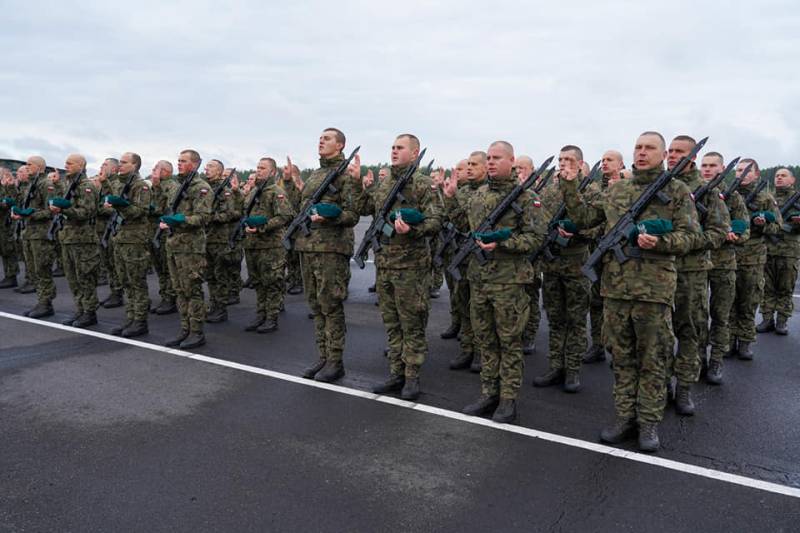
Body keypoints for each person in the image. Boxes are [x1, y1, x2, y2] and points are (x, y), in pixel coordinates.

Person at [562, 131, 697, 452]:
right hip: (616, 289)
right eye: (638, 147)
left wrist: (661, 242)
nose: (641, 153)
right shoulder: (617, 189)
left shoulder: (677, 190)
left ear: (663, 155)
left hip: (654, 290)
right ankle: (625, 416)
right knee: (621, 357)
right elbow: (584, 218)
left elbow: (691, 236)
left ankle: (648, 422)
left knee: (653, 358)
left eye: (649, 148)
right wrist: (569, 186)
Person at [461, 141, 547, 422]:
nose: (491, 162)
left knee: (509, 342)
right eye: (488, 157)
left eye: (497, 157)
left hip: (509, 282)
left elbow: (536, 238)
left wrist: (503, 243)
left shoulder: (527, 198)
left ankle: (508, 399)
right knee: (485, 340)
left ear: (511, 161)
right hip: (480, 279)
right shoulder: (478, 195)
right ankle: (489, 393)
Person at [363, 134, 442, 400]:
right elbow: (365, 207)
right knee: (392, 323)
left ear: (415, 153)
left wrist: (413, 230)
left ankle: (412, 376)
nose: (394, 151)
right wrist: (357, 182)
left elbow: (436, 220)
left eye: (400, 148)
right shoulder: (386, 184)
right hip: (385, 265)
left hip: (411, 267)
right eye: (393, 147)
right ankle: (396, 373)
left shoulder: (423, 183)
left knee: (412, 323)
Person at [665, 136, 729, 415]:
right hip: (658, 271)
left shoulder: (708, 190)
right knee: (660, 335)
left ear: (692, 157)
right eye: (669, 151)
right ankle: (662, 385)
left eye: (678, 152)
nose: (672, 155)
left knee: (690, 330)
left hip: (691, 271)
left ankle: (684, 387)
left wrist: (688, 240)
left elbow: (720, 231)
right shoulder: (660, 186)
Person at [293, 128, 361, 382]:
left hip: (331, 249)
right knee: (315, 306)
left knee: (331, 305)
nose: (321, 141)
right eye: (320, 138)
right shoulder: (316, 174)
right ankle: (322, 356)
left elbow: (353, 214)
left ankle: (335, 360)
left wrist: (331, 217)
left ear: (340, 145)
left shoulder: (345, 175)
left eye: (327, 138)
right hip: (308, 246)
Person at [533, 145, 591, 393]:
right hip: (552, 263)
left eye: (569, 159)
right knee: (555, 318)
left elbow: (598, 226)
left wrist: (577, 232)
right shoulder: (549, 191)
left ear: (580, 163)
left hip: (576, 264)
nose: (563, 163)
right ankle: (556, 365)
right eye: (561, 159)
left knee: (576, 320)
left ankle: (573, 370)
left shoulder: (590, 190)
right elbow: (539, 220)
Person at [700, 152, 748, 384]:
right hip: (698, 262)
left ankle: (717, 360)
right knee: (696, 317)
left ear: (721, 169)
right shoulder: (693, 193)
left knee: (721, 315)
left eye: (712, 166)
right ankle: (698, 360)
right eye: (704, 165)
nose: (707, 169)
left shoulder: (733, 197)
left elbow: (744, 228)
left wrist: (734, 235)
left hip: (724, 263)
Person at [159, 150, 214, 348]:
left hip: (191, 247)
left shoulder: (201, 188)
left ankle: (197, 332)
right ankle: (185, 329)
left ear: (195, 164)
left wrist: (181, 220)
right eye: (178, 160)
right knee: (179, 290)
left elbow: (203, 217)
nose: (179, 164)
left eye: (183, 161)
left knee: (192, 290)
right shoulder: (179, 186)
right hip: (174, 244)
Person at [730, 159, 781, 359]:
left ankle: (745, 342)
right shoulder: (728, 195)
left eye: (746, 170)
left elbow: (777, 227)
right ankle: (728, 342)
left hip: (753, 258)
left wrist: (762, 225)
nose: (741, 174)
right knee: (728, 304)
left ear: (757, 174)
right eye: (738, 170)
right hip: (729, 256)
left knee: (748, 303)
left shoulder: (765, 198)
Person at [442, 151, 487, 372]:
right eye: (468, 164)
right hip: (462, 257)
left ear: (485, 167)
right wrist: (450, 198)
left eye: (474, 164)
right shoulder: (463, 191)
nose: (469, 168)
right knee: (464, 305)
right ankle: (467, 349)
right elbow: (460, 222)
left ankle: (480, 352)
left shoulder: (489, 192)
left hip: (482, 261)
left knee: (480, 310)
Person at [240, 157, 293, 334]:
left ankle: (272, 317)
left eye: (262, 168)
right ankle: (260, 314)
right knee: (258, 282)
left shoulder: (276, 192)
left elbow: (284, 216)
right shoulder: (254, 191)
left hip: (271, 246)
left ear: (272, 172)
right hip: (252, 244)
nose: (258, 170)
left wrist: (263, 226)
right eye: (257, 167)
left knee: (272, 283)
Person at [583, 150, 625, 363]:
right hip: (596, 252)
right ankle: (598, 345)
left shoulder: (628, 188)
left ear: (621, 164)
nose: (605, 163)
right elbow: (590, 218)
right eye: (603, 160)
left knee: (618, 307)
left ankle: (618, 349)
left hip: (620, 258)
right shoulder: (595, 189)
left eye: (610, 160)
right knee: (596, 302)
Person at [49, 154, 101, 327]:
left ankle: (89, 312)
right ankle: (80, 310)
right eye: (66, 163)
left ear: (81, 165)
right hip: (68, 238)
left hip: (83, 239)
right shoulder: (69, 184)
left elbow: (86, 212)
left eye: (70, 163)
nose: (66, 165)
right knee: (73, 278)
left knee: (85, 277)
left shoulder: (86, 186)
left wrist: (65, 209)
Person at [105, 152, 152, 338]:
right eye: (120, 162)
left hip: (135, 239)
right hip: (120, 237)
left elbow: (141, 211)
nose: (120, 165)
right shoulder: (119, 184)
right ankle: (130, 317)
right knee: (125, 281)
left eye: (124, 162)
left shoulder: (141, 186)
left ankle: (140, 321)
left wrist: (121, 205)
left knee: (136, 282)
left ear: (135, 165)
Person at [9, 156, 59, 318]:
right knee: (33, 270)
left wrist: (30, 214)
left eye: (29, 164)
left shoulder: (46, 184)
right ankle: (41, 301)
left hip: (41, 234)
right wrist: (20, 213)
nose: (27, 166)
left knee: (42, 270)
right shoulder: (32, 183)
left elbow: (51, 211)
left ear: (39, 166)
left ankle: (46, 303)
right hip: (29, 232)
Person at [757, 167, 799, 335]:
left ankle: (782, 321)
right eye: (777, 176)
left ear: (792, 180)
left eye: (783, 175)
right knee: (766, 287)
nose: (779, 178)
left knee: (785, 288)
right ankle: (767, 319)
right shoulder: (768, 198)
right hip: (767, 249)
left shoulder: (797, 198)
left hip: (788, 251)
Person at [204, 160, 241, 324]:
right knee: (210, 276)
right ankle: (214, 304)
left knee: (220, 276)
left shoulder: (225, 192)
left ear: (219, 171)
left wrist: (210, 217)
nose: (207, 169)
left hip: (219, 240)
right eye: (206, 166)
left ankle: (221, 309)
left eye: (211, 166)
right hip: (206, 238)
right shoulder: (206, 189)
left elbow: (230, 214)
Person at [515, 155, 540, 355]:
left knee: (530, 297)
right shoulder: (513, 192)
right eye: (516, 168)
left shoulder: (537, 194)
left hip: (533, 256)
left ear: (532, 170)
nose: (518, 172)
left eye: (522, 168)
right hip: (514, 259)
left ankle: (529, 334)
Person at [440, 159, 468, 337]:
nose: (457, 172)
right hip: (449, 248)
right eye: (456, 169)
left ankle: (466, 327)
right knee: (453, 290)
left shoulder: (469, 193)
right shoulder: (451, 190)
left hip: (464, 250)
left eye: (461, 169)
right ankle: (455, 322)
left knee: (463, 292)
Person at [148, 160, 178, 314]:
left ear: (165, 171)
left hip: (165, 232)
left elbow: (162, 209)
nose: (153, 171)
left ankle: (170, 298)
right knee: (159, 268)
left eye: (156, 168)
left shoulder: (172, 187)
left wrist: (157, 187)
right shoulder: (155, 186)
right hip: (154, 232)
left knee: (167, 268)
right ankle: (165, 296)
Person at [95, 158, 124, 307]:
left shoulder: (117, 184)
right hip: (101, 229)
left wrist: (98, 209)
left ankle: (118, 293)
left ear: (113, 169)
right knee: (107, 263)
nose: (101, 167)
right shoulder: (102, 183)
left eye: (105, 165)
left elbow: (115, 208)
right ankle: (114, 291)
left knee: (114, 263)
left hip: (112, 229)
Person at [280, 160, 304, 296]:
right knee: (289, 256)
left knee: (296, 258)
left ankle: (298, 282)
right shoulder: (285, 187)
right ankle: (292, 277)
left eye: (291, 172)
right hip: (287, 227)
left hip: (298, 228)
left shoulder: (301, 187)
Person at [0, 168, 20, 288]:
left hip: (6, 224)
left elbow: (11, 201)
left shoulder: (8, 187)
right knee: (3, 251)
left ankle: (11, 276)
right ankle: (8, 275)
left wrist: (9, 186)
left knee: (8, 250)